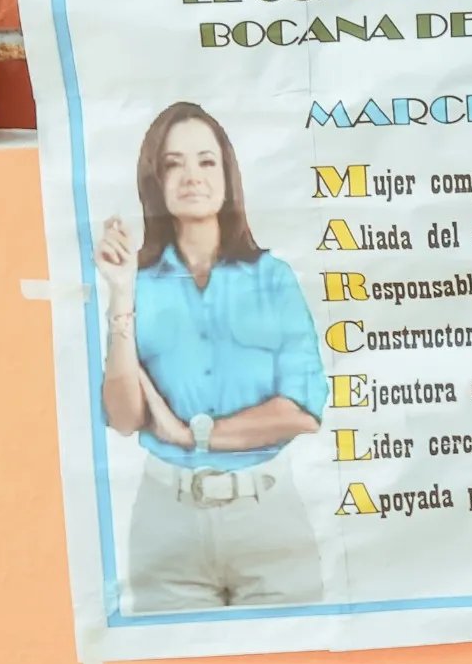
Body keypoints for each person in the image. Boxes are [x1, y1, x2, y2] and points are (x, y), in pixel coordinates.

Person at [96, 102, 328, 611]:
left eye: (206, 161)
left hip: (268, 519)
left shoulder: (273, 278)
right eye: (173, 163)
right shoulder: (137, 284)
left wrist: (193, 435)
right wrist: (120, 296)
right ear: (155, 181)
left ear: (227, 176)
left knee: (292, 657)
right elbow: (124, 417)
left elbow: (303, 410)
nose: (192, 176)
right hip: (167, 521)